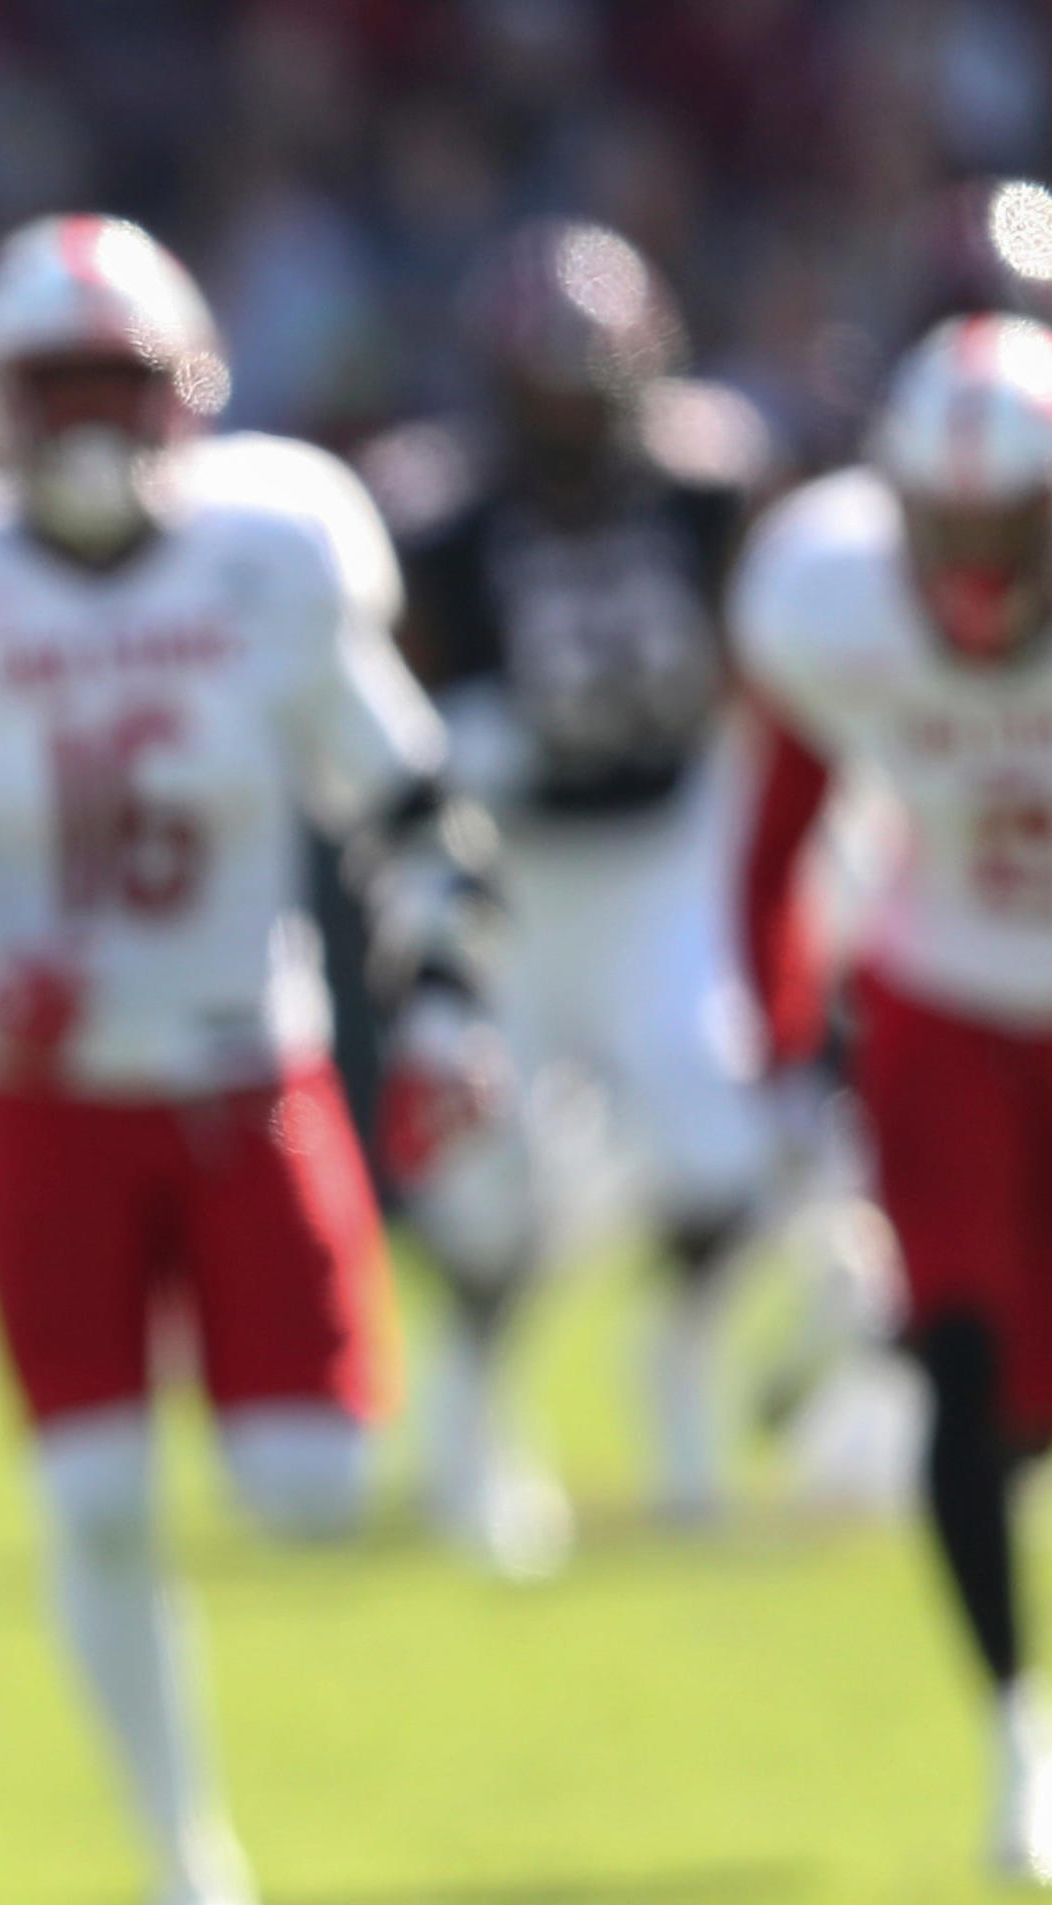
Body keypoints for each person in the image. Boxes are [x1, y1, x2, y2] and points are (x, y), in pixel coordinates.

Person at [0, 216, 506, 1905]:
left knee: (311, 1488)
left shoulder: (275, 546)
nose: (95, 425)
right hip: (47, 1106)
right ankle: (187, 1865)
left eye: (123, 384)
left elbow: (409, 794)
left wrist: (440, 1002)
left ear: (187, 392)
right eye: (60, 387)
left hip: (240, 1072)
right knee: (99, 1494)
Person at [731, 312, 1052, 1887]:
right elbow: (777, 832)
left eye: (1011, 522)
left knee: (1031, 1408)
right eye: (947, 523)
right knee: (968, 1355)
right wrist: (784, 1042)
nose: (977, 559)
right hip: (943, 999)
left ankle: (865, 1346)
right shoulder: (827, 592)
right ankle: (1020, 1737)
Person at [379, 221, 781, 1551]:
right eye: (542, 392)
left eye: (585, 387)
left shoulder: (705, 484)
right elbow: (381, 713)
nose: (568, 419)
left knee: (724, 1152)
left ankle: (670, 1362)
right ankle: (471, 1411)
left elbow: (746, 661)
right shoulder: (438, 517)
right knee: (487, 1186)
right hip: (512, 881)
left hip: (659, 860)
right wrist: (454, 754)